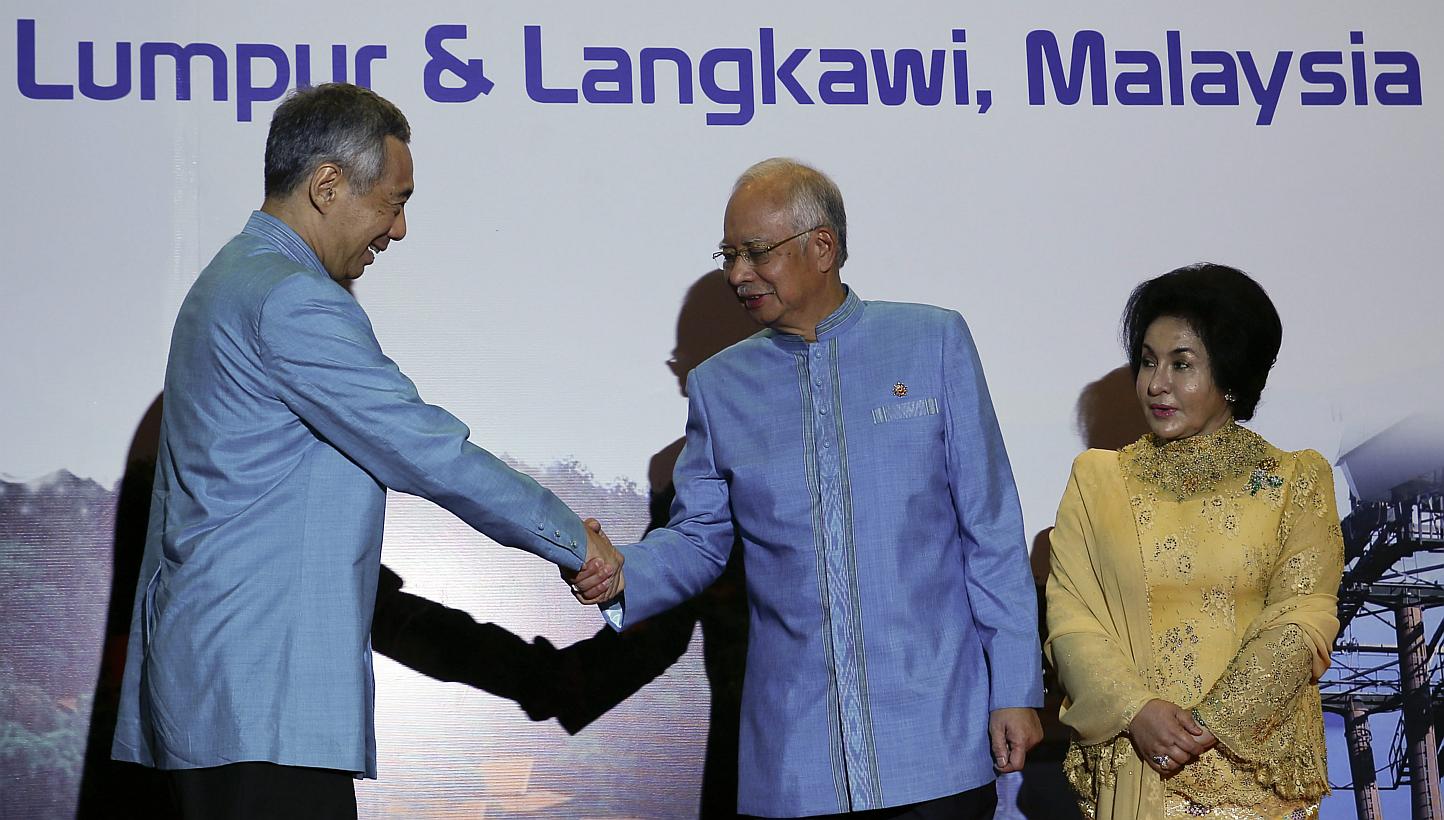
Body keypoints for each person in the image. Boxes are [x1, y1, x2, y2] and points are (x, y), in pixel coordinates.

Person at [110, 83, 619, 819]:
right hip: (262, 698)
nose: (399, 229)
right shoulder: (292, 298)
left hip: (221, 692)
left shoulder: (228, 278)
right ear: (327, 185)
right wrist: (574, 539)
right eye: (393, 202)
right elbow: (427, 450)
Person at [572, 158, 1043, 818]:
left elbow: (989, 529)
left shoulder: (932, 343)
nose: (738, 274)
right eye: (729, 256)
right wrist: (622, 573)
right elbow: (699, 539)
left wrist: (1014, 686)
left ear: (822, 247)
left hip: (936, 736)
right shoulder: (719, 387)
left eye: (756, 252)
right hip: (795, 759)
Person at [1044, 263, 1343, 819]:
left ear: (1230, 374)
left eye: (1181, 364)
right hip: (1135, 765)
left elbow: (1303, 619)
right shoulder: (1098, 480)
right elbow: (1071, 617)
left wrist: (1206, 726)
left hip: (1251, 782)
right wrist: (1137, 711)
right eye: (1148, 361)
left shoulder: (1293, 481)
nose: (1156, 384)